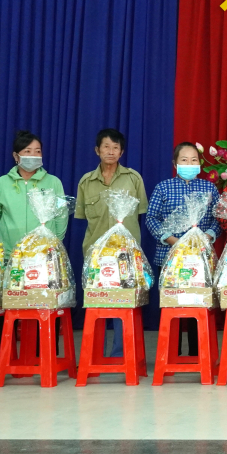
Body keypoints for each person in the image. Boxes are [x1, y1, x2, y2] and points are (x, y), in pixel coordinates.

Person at [0, 130, 68, 354]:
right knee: (5, 304)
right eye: (27, 151)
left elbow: (61, 217)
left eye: (37, 151)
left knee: (46, 304)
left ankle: (45, 353)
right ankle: (1, 354)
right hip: (9, 257)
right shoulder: (0, 184)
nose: (33, 155)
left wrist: (52, 245)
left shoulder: (53, 182)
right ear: (16, 156)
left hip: (43, 257)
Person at [76, 128, 148, 358]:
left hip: (126, 253)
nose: (110, 151)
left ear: (121, 152)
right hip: (96, 253)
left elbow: (141, 212)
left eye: (115, 147)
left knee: (124, 302)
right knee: (95, 303)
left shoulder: (133, 179)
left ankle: (120, 355)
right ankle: (94, 356)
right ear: (97, 150)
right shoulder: (86, 182)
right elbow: (82, 216)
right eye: (106, 146)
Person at [144, 142, 221, 356]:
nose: (189, 163)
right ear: (175, 163)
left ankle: (198, 356)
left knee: (199, 305)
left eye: (194, 160)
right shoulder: (163, 187)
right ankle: (171, 355)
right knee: (173, 306)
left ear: (200, 163)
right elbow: (151, 218)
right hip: (169, 257)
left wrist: (205, 237)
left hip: (201, 257)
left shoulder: (209, 188)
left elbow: (218, 219)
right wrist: (173, 241)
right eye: (184, 160)